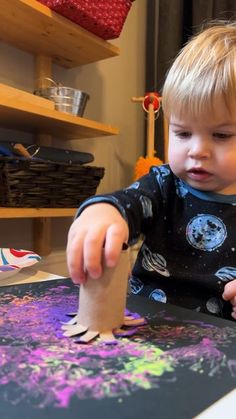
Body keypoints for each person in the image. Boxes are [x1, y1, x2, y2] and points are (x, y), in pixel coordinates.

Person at [67, 20, 236, 321]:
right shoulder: (162, 183)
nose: (196, 150)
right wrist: (104, 212)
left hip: (217, 338)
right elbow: (128, 203)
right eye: (182, 133)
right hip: (145, 321)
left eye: (221, 135)